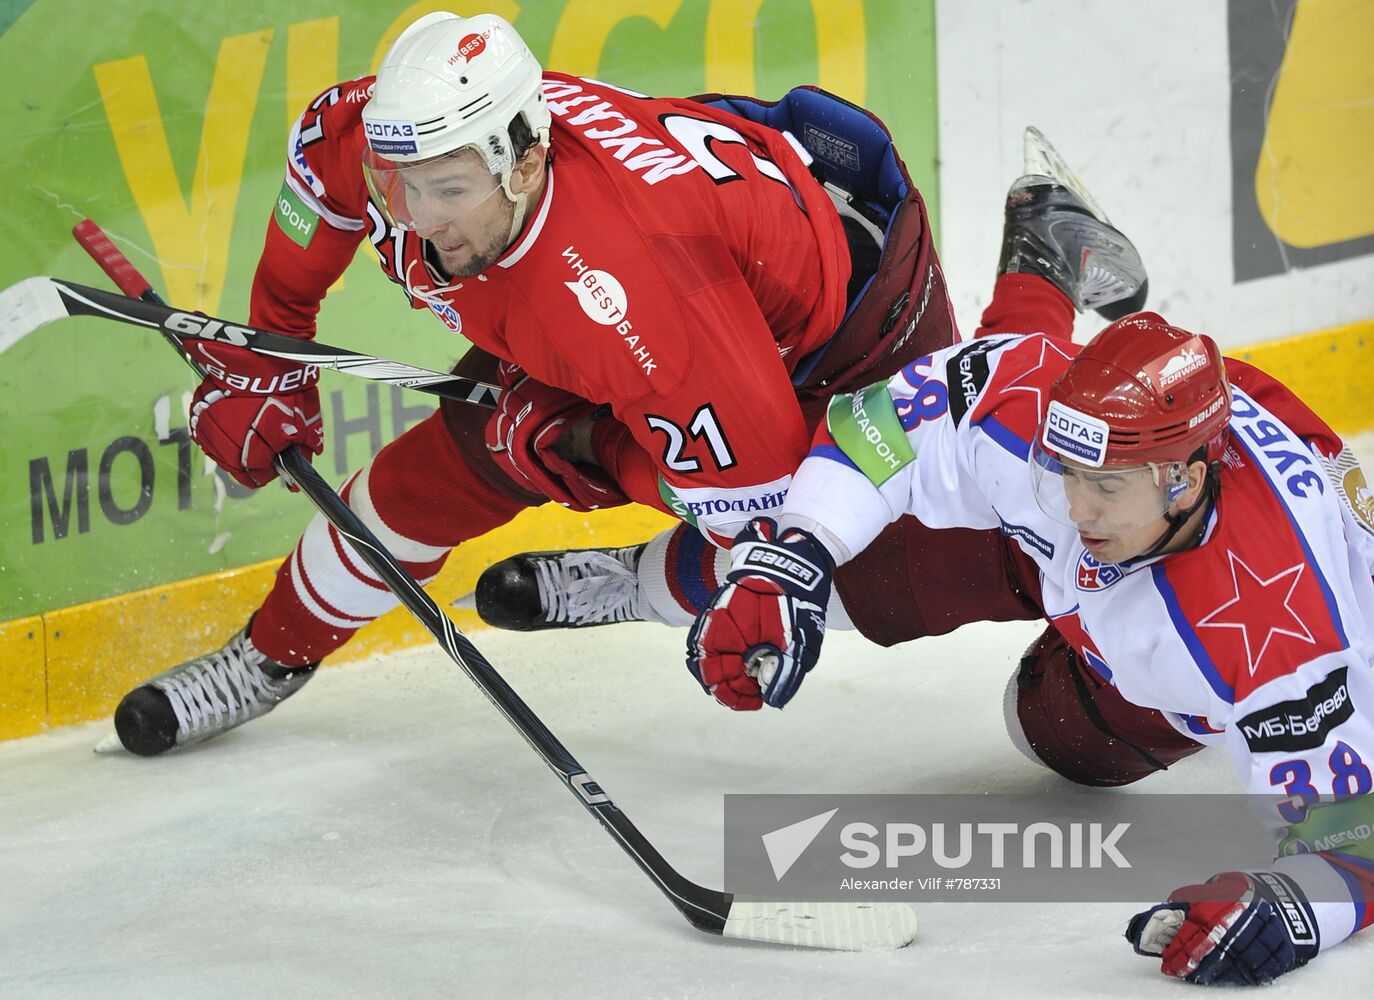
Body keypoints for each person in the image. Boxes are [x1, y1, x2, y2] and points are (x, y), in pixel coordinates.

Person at [113, 13, 1147, 755]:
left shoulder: (636, 302)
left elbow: (779, 520)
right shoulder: (399, 149)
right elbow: (319, 199)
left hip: (836, 335)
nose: (419, 222)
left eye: (445, 191)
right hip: (683, 271)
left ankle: (1044, 248)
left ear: (523, 161)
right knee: (457, 460)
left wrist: (578, 457)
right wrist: (267, 359)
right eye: (402, 187)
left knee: (885, 571)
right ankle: (271, 653)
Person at [682, 264, 1374, 983]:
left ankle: (1040, 264)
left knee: (1048, 733)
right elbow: (877, 429)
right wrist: (789, 559)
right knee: (887, 550)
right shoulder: (1034, 398)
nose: (1079, 506)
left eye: (1105, 484)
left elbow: (1354, 850)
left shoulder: (1283, 641)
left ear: (1185, 480)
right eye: (1068, 470)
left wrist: (1291, 909)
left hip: (1187, 671)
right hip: (1108, 570)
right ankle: (1043, 262)